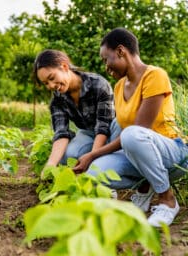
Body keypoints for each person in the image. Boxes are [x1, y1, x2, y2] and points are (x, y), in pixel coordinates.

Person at [73, 28, 188, 227]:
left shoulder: (155, 75)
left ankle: (167, 200)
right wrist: (94, 160)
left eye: (105, 59)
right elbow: (121, 129)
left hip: (174, 153)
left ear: (120, 51)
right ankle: (144, 189)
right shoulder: (118, 87)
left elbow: (139, 130)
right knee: (95, 172)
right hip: (140, 155)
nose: (105, 67)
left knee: (133, 135)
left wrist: (92, 154)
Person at [33, 49, 116, 169]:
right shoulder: (57, 100)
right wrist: (50, 165)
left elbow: (103, 127)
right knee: (68, 156)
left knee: (98, 163)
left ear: (64, 67)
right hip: (88, 132)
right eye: (46, 83)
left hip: (112, 131)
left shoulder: (98, 85)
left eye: (51, 78)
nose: (51, 86)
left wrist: (92, 157)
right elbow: (61, 133)